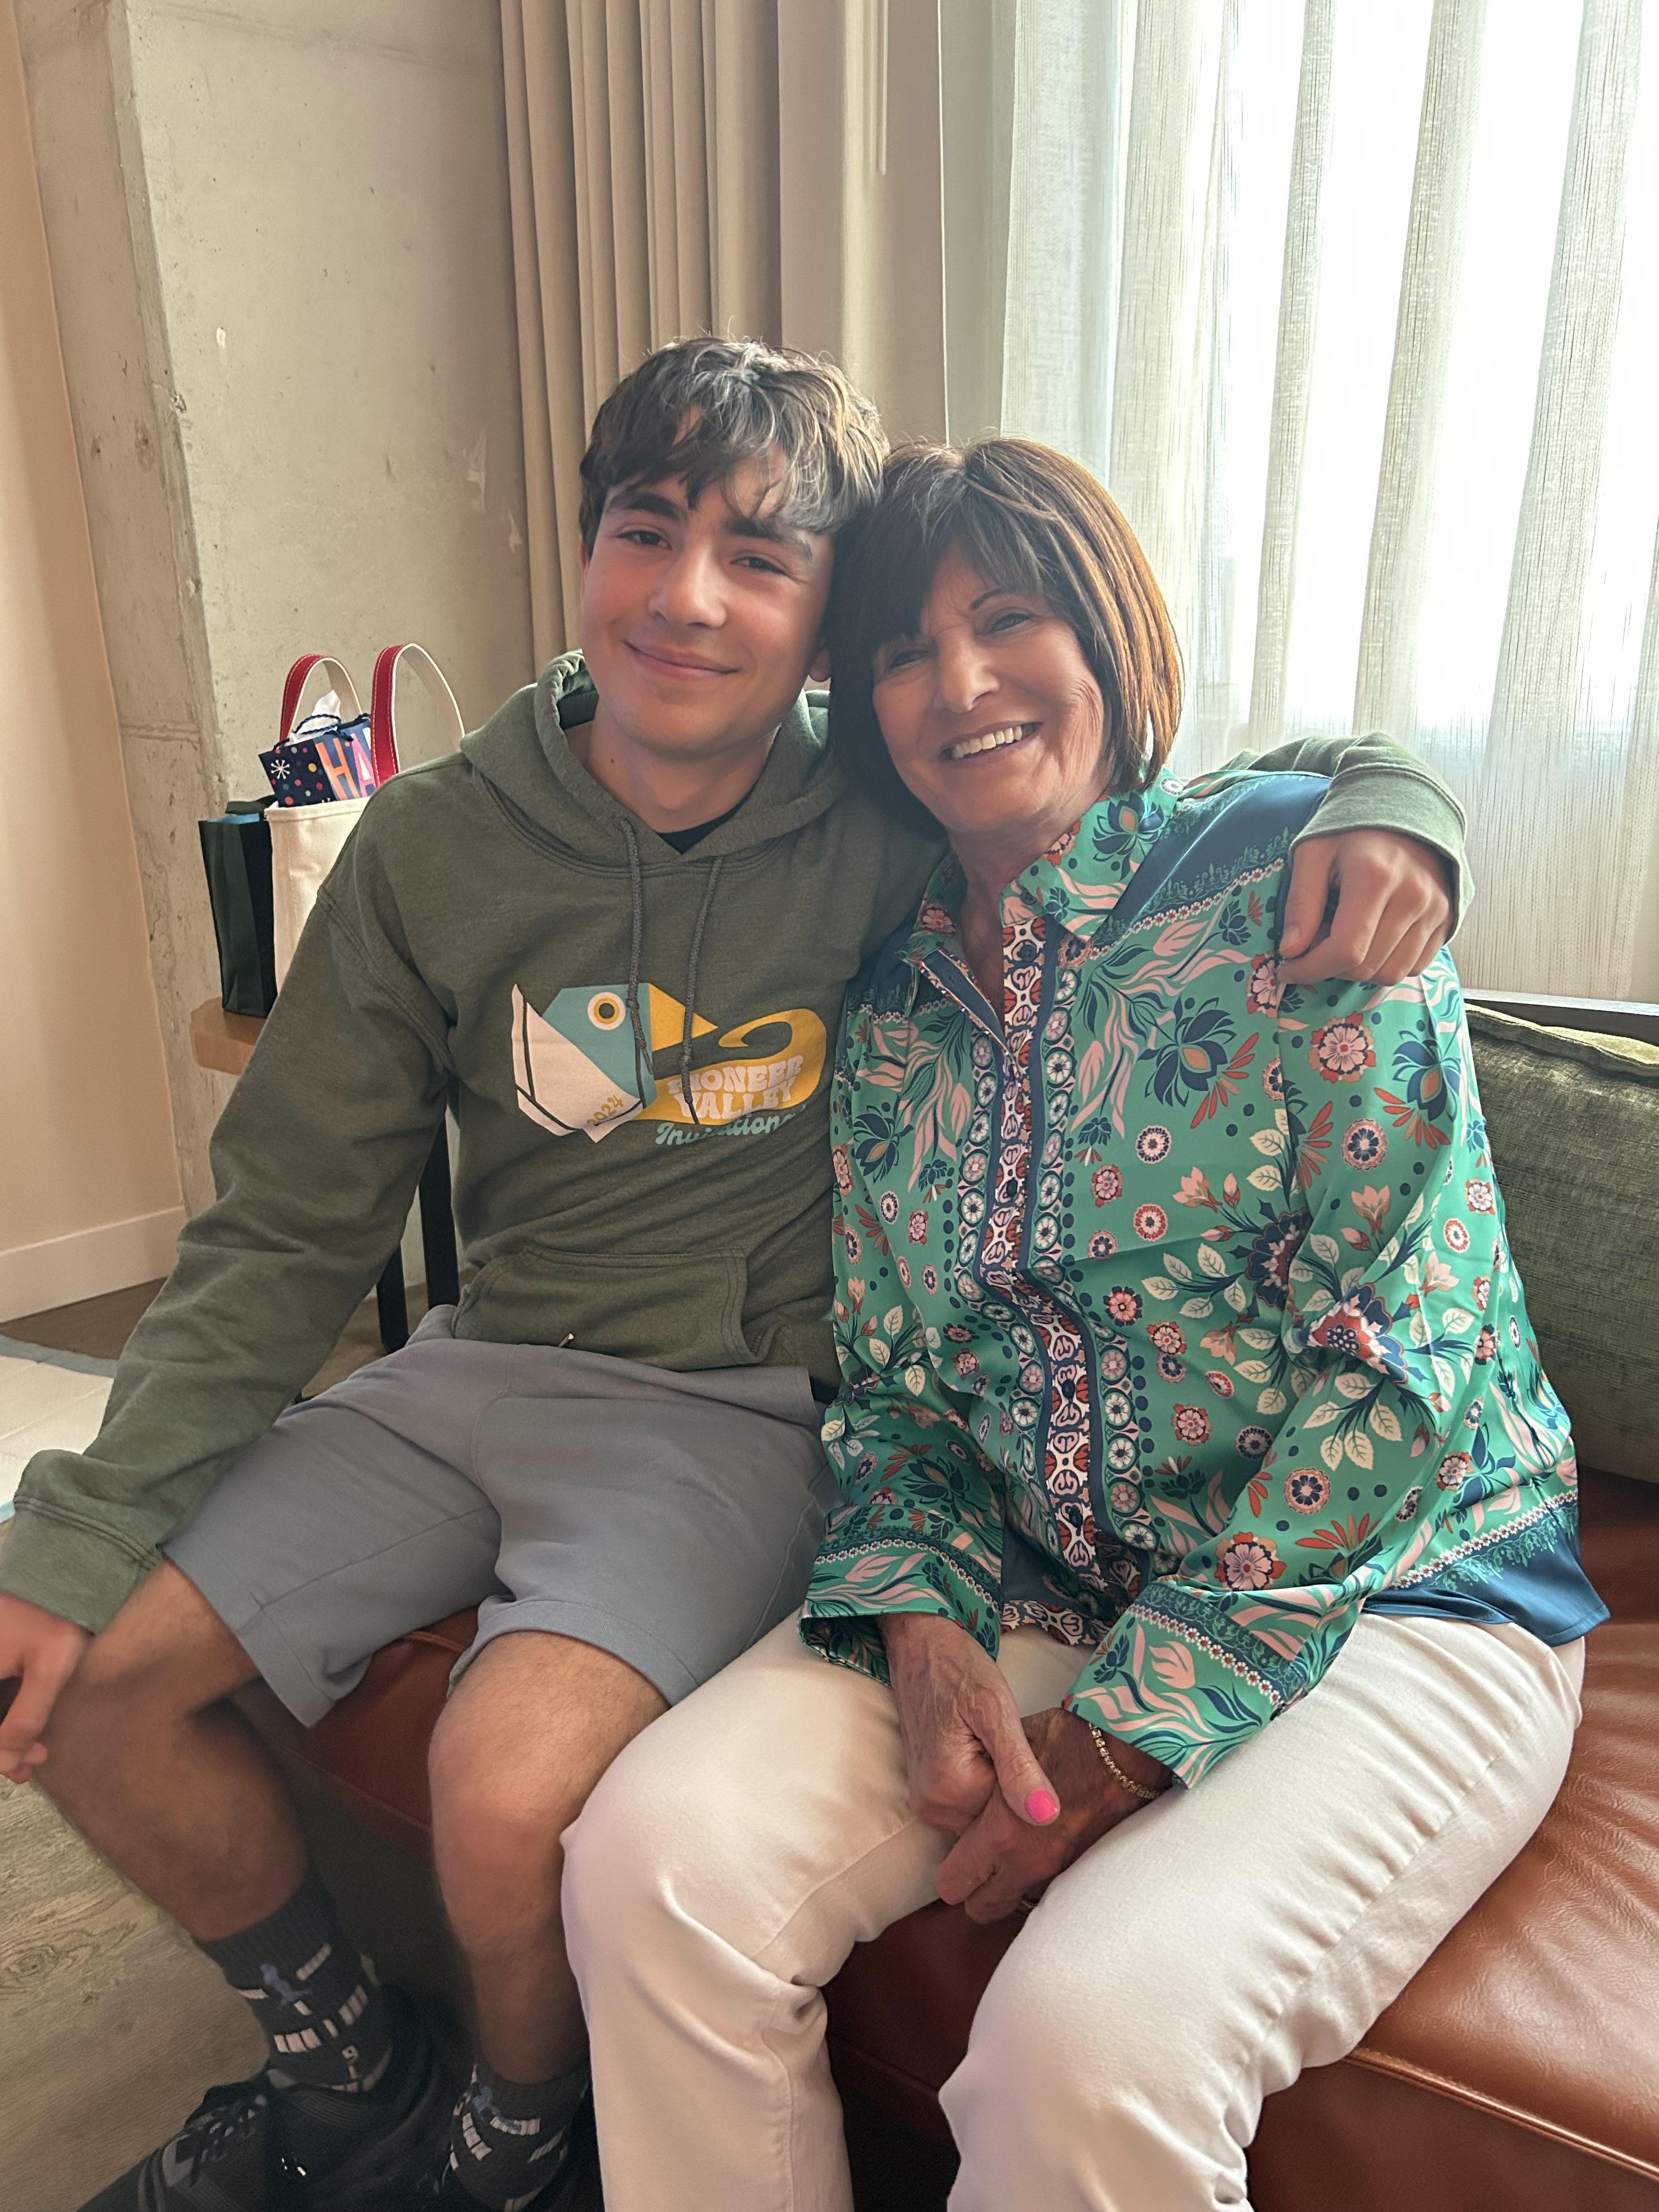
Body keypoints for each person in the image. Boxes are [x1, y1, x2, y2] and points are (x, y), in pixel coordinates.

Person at [0, 348, 1464, 2212]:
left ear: (820, 636)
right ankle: (351, 2079)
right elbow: (287, 1221)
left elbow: (1152, 781)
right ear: (589, 550)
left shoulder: (887, 826)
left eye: (762, 560)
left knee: (506, 1786)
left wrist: (1399, 789)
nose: (688, 597)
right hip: (478, 1365)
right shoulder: (435, 848)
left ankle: (518, 2141)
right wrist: (78, 1528)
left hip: (736, 1410)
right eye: (646, 533)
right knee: (87, 1690)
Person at [561, 436, 1606, 2212]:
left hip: (1407, 1593)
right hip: (1047, 1567)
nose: (958, 684)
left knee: (1083, 2046)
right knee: (650, 1862)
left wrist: (1126, 1733)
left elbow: (1402, 1380)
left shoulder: (1307, 887)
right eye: (902, 648)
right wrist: (917, 1630)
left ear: (1109, 636)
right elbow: (894, 1393)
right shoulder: (889, 1012)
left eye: (1013, 619)